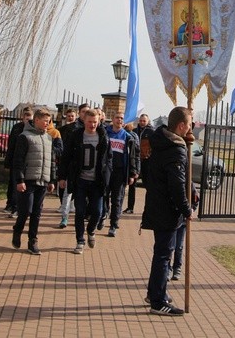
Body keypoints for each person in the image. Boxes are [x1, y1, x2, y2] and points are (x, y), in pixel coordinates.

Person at [141, 106, 194, 316]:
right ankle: (158, 301)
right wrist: (186, 209)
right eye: (189, 124)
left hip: (157, 204)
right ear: (181, 126)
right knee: (164, 255)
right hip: (167, 210)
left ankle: (154, 291)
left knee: (161, 253)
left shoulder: (160, 141)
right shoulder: (174, 149)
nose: (191, 128)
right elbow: (176, 185)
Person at [58, 108, 112, 255]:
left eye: (95, 122)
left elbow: (109, 158)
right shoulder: (76, 136)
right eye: (89, 122)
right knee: (80, 211)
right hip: (80, 180)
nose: (92, 125)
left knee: (97, 212)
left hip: (97, 182)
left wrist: (108, 176)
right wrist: (62, 177)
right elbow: (66, 157)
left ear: (99, 121)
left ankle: (91, 230)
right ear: (84, 121)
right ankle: (80, 241)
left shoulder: (103, 137)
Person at [11, 108, 56, 255]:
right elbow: (18, 160)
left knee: (37, 213)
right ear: (36, 120)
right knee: (25, 211)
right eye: (44, 121)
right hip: (28, 181)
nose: (47, 124)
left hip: (43, 181)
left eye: (49, 121)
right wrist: (20, 180)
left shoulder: (49, 138)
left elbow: (52, 161)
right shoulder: (25, 136)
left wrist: (51, 180)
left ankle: (33, 241)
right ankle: (17, 230)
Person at [99, 112, 139, 237]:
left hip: (120, 172)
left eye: (122, 118)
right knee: (103, 195)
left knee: (117, 199)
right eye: (117, 118)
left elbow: (133, 156)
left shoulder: (128, 137)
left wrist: (133, 173)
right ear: (113, 119)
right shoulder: (105, 133)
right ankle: (104, 214)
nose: (119, 120)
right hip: (106, 171)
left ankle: (113, 225)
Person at [3, 107, 33, 217]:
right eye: (26, 117)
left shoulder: (32, 130)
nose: (28, 120)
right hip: (15, 161)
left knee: (22, 186)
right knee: (12, 184)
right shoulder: (16, 128)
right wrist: (7, 161)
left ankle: (18, 208)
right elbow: (10, 146)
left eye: (30, 118)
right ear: (23, 117)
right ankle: (10, 204)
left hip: (27, 163)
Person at [125, 113, 154, 213]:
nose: (142, 123)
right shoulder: (134, 131)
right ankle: (130, 207)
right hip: (136, 161)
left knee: (148, 187)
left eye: (144, 121)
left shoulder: (151, 132)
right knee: (132, 185)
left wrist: (149, 155)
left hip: (147, 162)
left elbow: (154, 147)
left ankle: (148, 208)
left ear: (148, 121)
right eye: (140, 121)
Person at [57, 107, 80, 227]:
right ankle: (64, 217)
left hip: (79, 167)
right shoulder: (61, 130)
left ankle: (78, 218)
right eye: (69, 115)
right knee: (66, 193)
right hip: (67, 164)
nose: (71, 118)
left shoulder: (80, 130)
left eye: (73, 115)